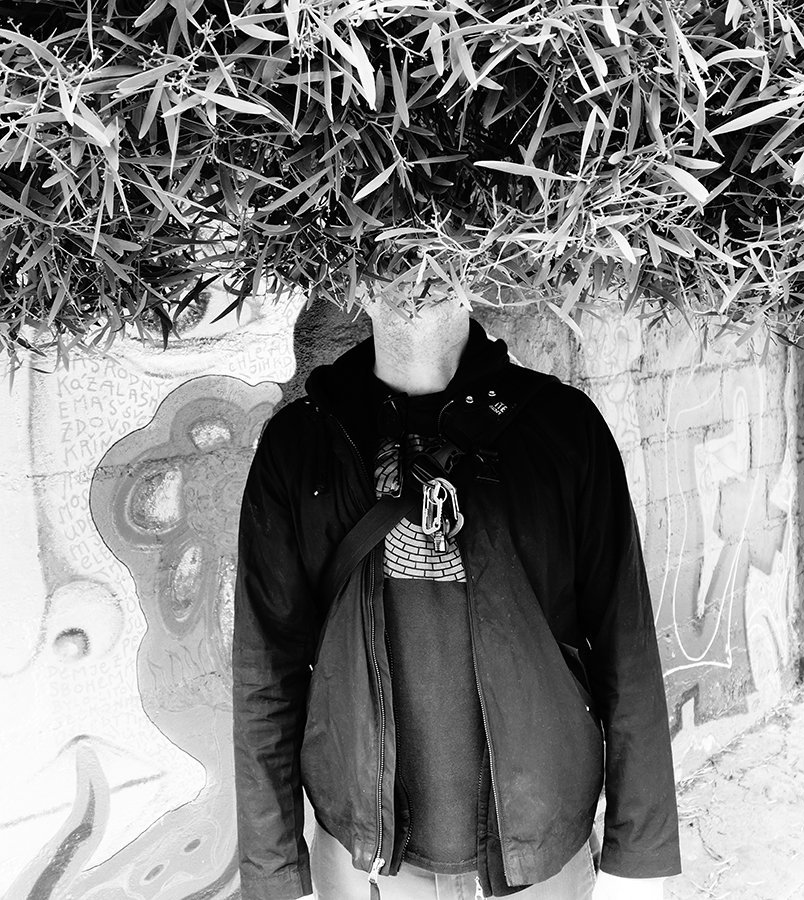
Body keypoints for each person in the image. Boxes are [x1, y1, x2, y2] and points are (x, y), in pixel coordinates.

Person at [232, 291, 681, 900]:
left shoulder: (562, 427)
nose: (414, 274)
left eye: (434, 252)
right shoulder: (301, 442)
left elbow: (625, 642)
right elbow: (266, 671)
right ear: (351, 276)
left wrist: (638, 860)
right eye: (388, 254)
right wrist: (277, 876)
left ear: (474, 261)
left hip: (541, 855)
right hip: (361, 860)